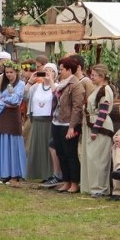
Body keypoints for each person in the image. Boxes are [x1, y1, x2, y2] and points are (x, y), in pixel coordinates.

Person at [51, 57, 86, 195]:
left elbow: (77, 107)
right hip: (57, 121)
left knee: (70, 153)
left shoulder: (76, 85)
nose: (60, 72)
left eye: (62, 69)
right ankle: (66, 181)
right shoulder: (61, 83)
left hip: (68, 124)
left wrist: (72, 126)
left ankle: (74, 182)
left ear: (69, 70)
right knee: (60, 152)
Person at [80, 64, 114, 197]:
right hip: (91, 124)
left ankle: (100, 188)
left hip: (100, 127)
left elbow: (103, 112)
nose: (91, 77)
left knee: (98, 158)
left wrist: (95, 129)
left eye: (94, 75)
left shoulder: (105, 90)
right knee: (91, 157)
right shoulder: (98, 89)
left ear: (102, 76)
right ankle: (91, 186)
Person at [0, 62, 27, 184]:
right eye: (7, 72)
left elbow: (16, 100)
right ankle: (4, 173)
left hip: (13, 117)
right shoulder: (4, 85)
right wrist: (6, 101)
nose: (9, 75)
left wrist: (5, 100)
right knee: (4, 141)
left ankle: (15, 173)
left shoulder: (21, 84)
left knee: (13, 143)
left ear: (16, 72)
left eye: (11, 72)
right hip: (4, 115)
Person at [26, 62, 57, 182]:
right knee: (36, 147)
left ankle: (50, 173)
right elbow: (24, 95)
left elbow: (57, 97)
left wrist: (52, 81)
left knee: (48, 147)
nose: (47, 73)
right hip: (37, 120)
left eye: (50, 71)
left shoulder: (57, 86)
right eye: (45, 70)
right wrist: (30, 81)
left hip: (49, 121)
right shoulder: (36, 87)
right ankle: (37, 172)